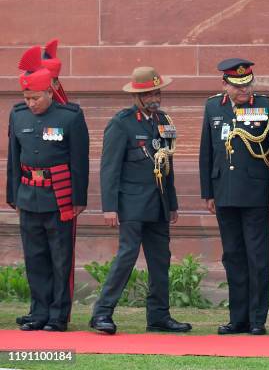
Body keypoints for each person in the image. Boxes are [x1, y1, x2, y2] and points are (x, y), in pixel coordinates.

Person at [89, 67, 191, 335]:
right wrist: (109, 207)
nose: (154, 97)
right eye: (148, 93)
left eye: (157, 91)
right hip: (131, 203)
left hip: (158, 204)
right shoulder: (122, 123)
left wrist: (173, 203)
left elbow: (167, 163)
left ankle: (158, 316)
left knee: (161, 260)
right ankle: (102, 313)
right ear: (137, 95)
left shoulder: (164, 120)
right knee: (127, 257)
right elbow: (109, 168)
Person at [200, 58, 269, 336]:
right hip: (224, 192)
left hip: (254, 193)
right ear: (225, 84)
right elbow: (207, 152)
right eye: (238, 86)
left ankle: (257, 319)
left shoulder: (266, 106)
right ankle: (237, 318)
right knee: (233, 256)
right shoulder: (213, 106)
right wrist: (207, 191)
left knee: (257, 257)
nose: (245, 90)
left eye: (248, 83)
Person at [7, 46, 89, 332]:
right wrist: (12, 194)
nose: (30, 103)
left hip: (59, 197)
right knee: (34, 257)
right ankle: (38, 311)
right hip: (29, 196)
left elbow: (80, 161)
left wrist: (79, 199)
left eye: (35, 97)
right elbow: (13, 159)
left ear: (49, 93)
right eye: (26, 98)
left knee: (60, 257)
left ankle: (57, 314)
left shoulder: (69, 117)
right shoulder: (17, 116)